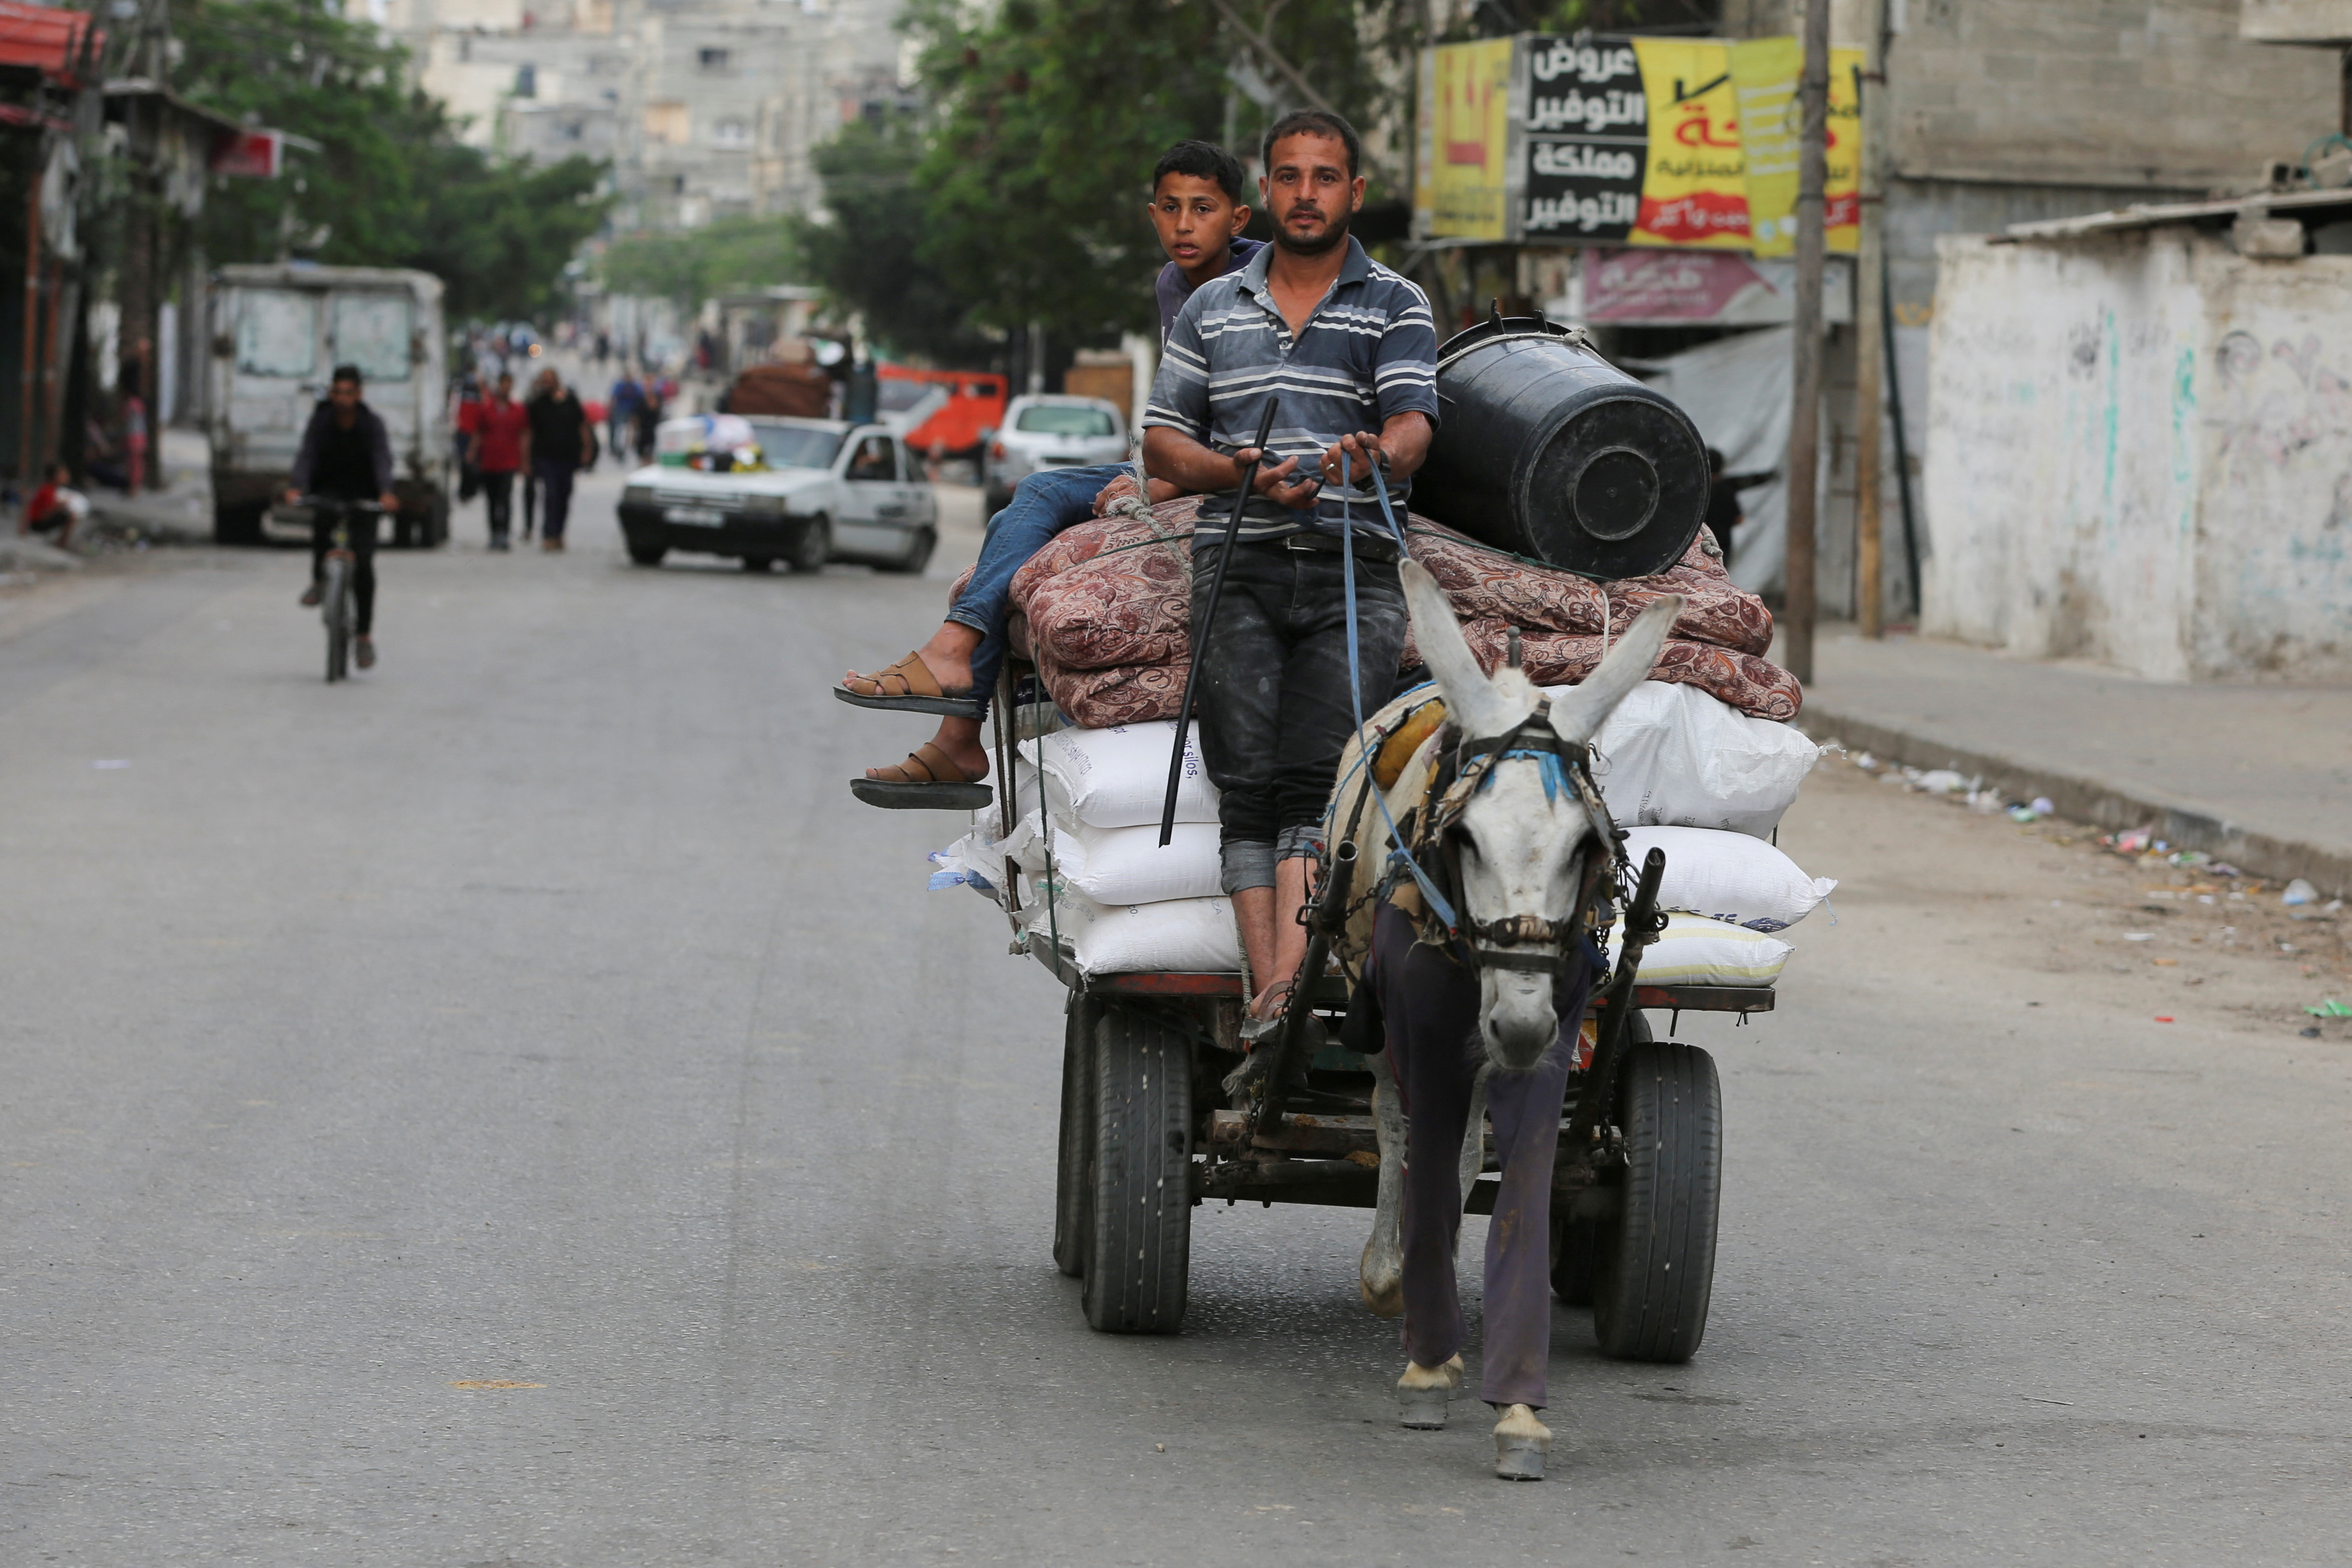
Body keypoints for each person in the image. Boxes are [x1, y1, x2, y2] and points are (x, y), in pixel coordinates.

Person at [836, 139, 1262, 801]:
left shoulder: (1258, 286)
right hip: (1170, 458)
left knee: (1038, 497)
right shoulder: (1172, 283)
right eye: (1171, 209)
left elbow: (1248, 413)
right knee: (1028, 506)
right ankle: (957, 718)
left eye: (1203, 209)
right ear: (1151, 214)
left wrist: (1165, 478)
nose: (1184, 225)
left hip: (1228, 469)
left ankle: (952, 685)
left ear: (1238, 220)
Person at [1141, 109, 1439, 1026]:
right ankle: (1270, 987)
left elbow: (1413, 424)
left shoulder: (1396, 301)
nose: (1305, 194)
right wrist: (1242, 473)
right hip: (1239, 560)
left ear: (1354, 192)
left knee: (1319, 772)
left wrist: (1376, 456)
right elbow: (1162, 442)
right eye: (1288, 177)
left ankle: (1289, 984)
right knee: (1246, 779)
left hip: (1356, 560)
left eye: (1324, 178)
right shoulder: (1209, 307)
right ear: (1264, 193)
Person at [286, 364, 402, 671]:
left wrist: (386, 492)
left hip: (365, 497)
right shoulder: (321, 421)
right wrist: (297, 486)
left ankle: (364, 636)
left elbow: (382, 458)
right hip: (330, 492)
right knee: (322, 528)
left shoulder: (372, 424)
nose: (342, 399)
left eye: (348, 393)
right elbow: (307, 454)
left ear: (359, 394)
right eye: (337, 392)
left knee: (363, 564)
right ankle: (318, 580)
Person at [525, 367, 593, 552]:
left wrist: (587, 449)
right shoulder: (537, 404)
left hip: (568, 457)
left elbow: (583, 426)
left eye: (550, 379)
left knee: (564, 495)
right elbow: (528, 433)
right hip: (546, 457)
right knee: (550, 495)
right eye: (544, 380)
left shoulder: (571, 401)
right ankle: (549, 534)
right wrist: (526, 459)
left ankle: (559, 534)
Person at [460, 371, 529, 550]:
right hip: (489, 461)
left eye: (509, 383)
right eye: (503, 383)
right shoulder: (486, 409)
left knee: (505, 498)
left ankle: (504, 532)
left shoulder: (518, 410)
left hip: (509, 461)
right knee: (491, 499)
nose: (506, 387)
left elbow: (524, 435)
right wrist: (471, 453)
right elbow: (478, 432)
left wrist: (524, 460)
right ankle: (493, 533)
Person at [1703, 446, 1775, 569]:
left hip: (1698, 545)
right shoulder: (1725, 490)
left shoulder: (1697, 492)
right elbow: (1739, 519)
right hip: (1720, 545)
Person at [19, 461, 88, 548]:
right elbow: (44, 513)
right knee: (72, 516)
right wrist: (60, 506)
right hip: (39, 524)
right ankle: (62, 543)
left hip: (39, 521)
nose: (66, 477)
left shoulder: (54, 490)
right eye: (62, 474)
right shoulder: (47, 490)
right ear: (54, 476)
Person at [608, 370, 644, 462]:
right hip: (622, 410)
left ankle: (626, 446)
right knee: (621, 429)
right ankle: (621, 448)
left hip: (629, 411)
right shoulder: (623, 385)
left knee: (627, 430)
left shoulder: (632, 386)